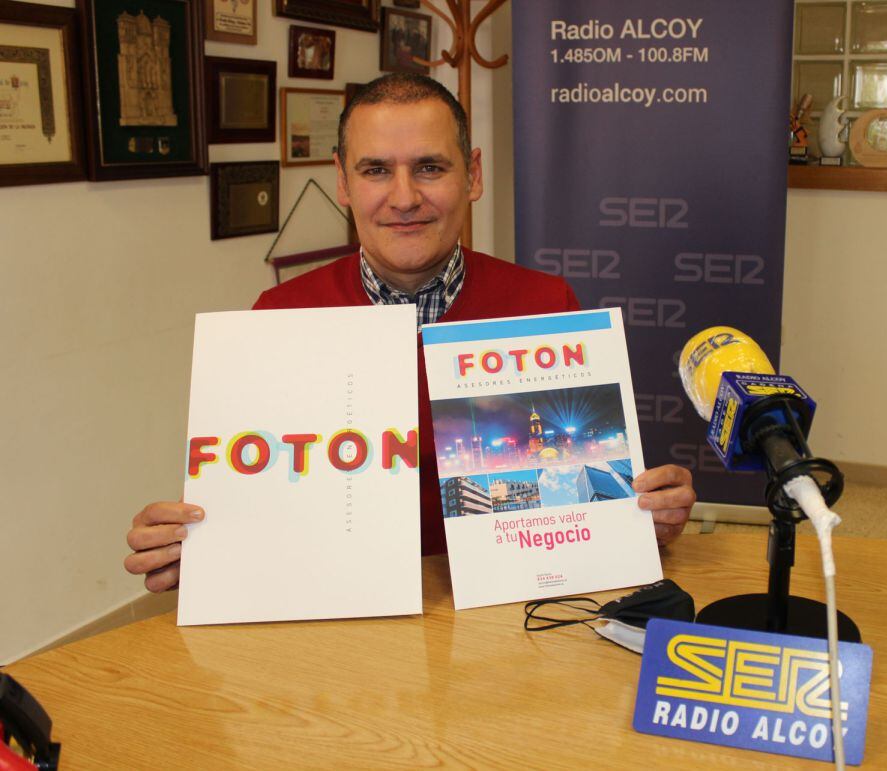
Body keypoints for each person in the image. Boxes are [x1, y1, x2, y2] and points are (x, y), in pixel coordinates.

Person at [125, 73, 695, 593]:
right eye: (375, 170)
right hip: (340, 621)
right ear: (343, 183)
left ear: (471, 176)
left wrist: (641, 513)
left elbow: (584, 492)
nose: (403, 197)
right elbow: (262, 501)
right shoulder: (279, 317)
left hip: (503, 616)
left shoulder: (544, 306)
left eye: (429, 167)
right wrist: (197, 549)